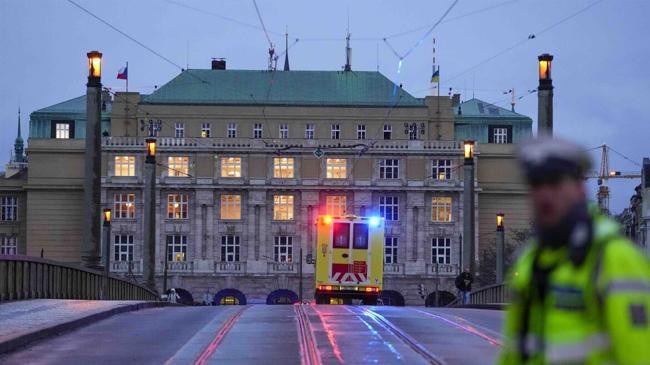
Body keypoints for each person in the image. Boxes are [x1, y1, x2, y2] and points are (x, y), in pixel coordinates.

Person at [499, 138, 650, 365]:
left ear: (579, 188)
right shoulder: (529, 260)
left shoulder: (615, 258)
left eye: (555, 182)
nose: (545, 194)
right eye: (536, 184)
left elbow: (640, 354)